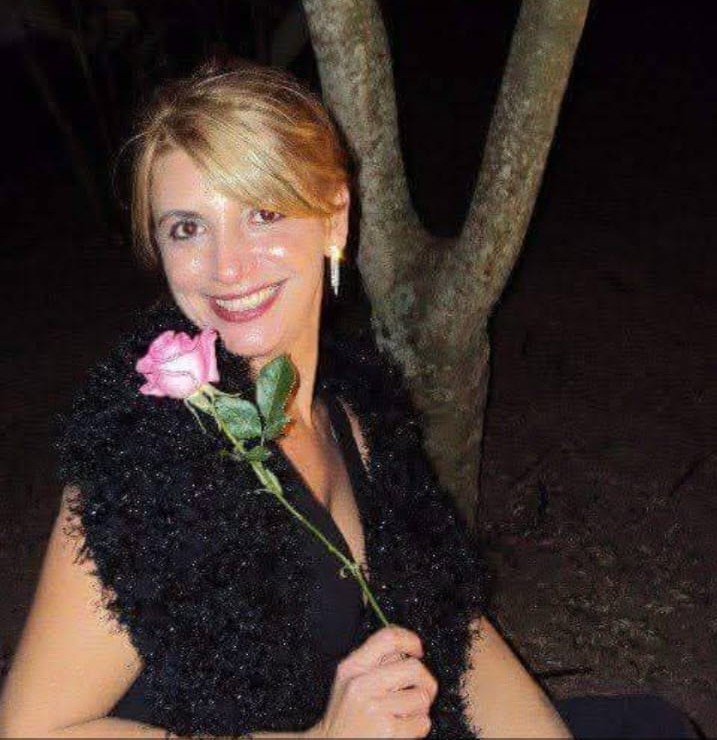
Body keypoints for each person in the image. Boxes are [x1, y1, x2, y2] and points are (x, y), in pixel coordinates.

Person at [0, 63, 695, 739]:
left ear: (334, 219)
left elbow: (451, 624)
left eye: (263, 213)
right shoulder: (140, 464)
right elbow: (32, 729)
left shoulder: (355, 403)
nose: (226, 266)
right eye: (187, 227)